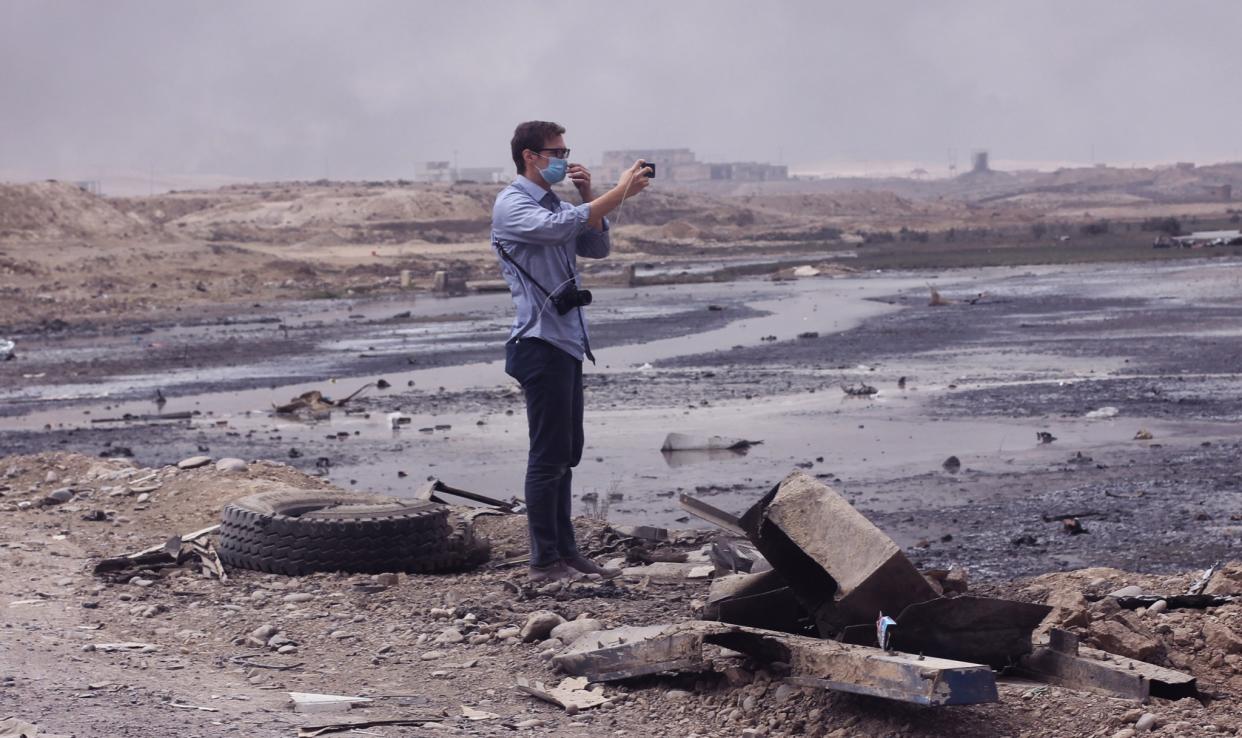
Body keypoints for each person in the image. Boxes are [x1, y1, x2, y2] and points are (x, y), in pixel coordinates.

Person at [492, 120, 651, 583]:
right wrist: (618, 194)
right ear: (530, 156)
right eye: (555, 151)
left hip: (564, 343)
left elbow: (595, 245)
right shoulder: (513, 204)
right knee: (547, 456)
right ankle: (544, 561)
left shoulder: (557, 204)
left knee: (566, 452)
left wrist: (590, 197)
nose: (563, 157)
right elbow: (556, 228)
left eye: (566, 149)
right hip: (538, 342)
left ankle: (567, 552)